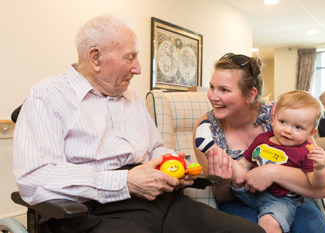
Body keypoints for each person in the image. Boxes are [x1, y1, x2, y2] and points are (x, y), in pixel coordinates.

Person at [12, 15, 264, 233]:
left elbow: (155, 148)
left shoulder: (130, 97)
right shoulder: (47, 95)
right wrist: (124, 182)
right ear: (96, 57)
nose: (139, 68)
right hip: (92, 213)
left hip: (161, 202)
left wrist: (175, 165)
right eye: (130, 57)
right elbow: (35, 179)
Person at [193, 53, 325, 233]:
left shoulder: (286, 116)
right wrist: (223, 180)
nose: (213, 96)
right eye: (212, 87)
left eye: (224, 90)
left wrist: (272, 171)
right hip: (242, 198)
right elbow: (223, 197)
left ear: (250, 94)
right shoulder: (206, 129)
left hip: (290, 197)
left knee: (311, 227)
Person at [229, 90, 325, 233]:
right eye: (282, 122)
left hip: (281, 200)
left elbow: (318, 184)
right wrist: (231, 167)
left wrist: (320, 169)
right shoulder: (262, 139)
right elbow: (244, 162)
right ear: (273, 119)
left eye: (298, 127)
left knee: (269, 224)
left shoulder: (306, 151)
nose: (288, 130)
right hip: (251, 192)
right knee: (234, 168)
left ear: (311, 133)